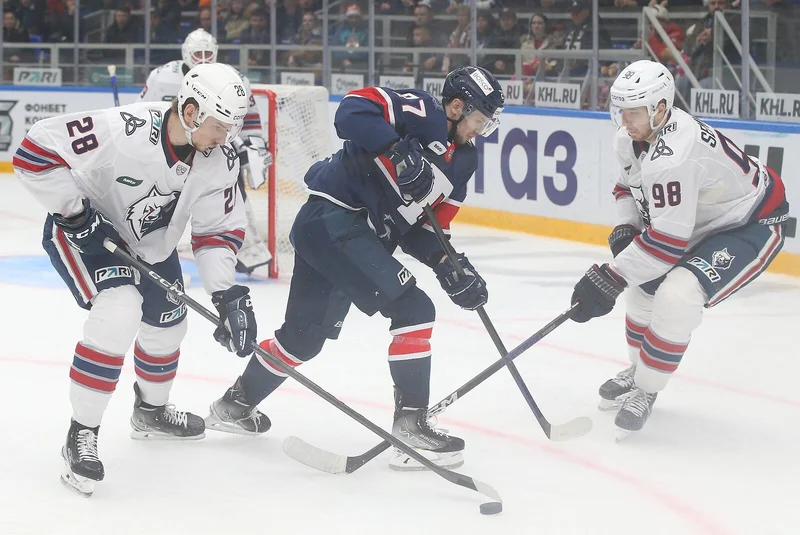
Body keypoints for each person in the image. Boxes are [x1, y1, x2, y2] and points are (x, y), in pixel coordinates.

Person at [204, 66, 505, 471]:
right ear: (455, 107)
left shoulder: (464, 162)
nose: (481, 130)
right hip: (334, 219)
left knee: (303, 339)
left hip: (343, 237)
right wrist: (396, 149)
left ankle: (235, 405)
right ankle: (410, 428)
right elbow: (351, 110)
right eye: (479, 119)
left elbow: (426, 229)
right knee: (414, 309)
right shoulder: (422, 112)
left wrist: (448, 265)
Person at [12, 63, 260, 496]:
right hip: (88, 237)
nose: (225, 138)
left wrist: (228, 294)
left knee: (169, 324)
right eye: (220, 126)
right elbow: (34, 152)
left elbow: (216, 232)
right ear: (190, 111)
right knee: (120, 310)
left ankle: (150, 413)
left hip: (150, 246)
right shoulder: (123, 129)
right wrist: (76, 215)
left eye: (231, 128)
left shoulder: (219, 159)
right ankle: (81, 434)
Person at [569, 60, 788, 438]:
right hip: (697, 222)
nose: (624, 121)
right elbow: (625, 188)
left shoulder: (675, 154)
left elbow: (668, 243)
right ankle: (640, 369)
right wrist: (626, 227)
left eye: (633, 112)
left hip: (749, 223)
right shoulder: (630, 138)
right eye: (621, 110)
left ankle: (647, 387)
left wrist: (610, 277)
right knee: (642, 289)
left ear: (660, 108)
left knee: (677, 295)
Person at [138, 28, 273, 274]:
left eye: (207, 54)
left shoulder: (234, 80)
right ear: (185, 53)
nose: (202, 59)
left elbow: (249, 120)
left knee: (231, 196)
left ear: (216, 52)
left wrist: (253, 148)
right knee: (158, 198)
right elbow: (143, 111)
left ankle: (245, 250)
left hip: (215, 145)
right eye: (197, 54)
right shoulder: (161, 76)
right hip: (172, 147)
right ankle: (145, 242)